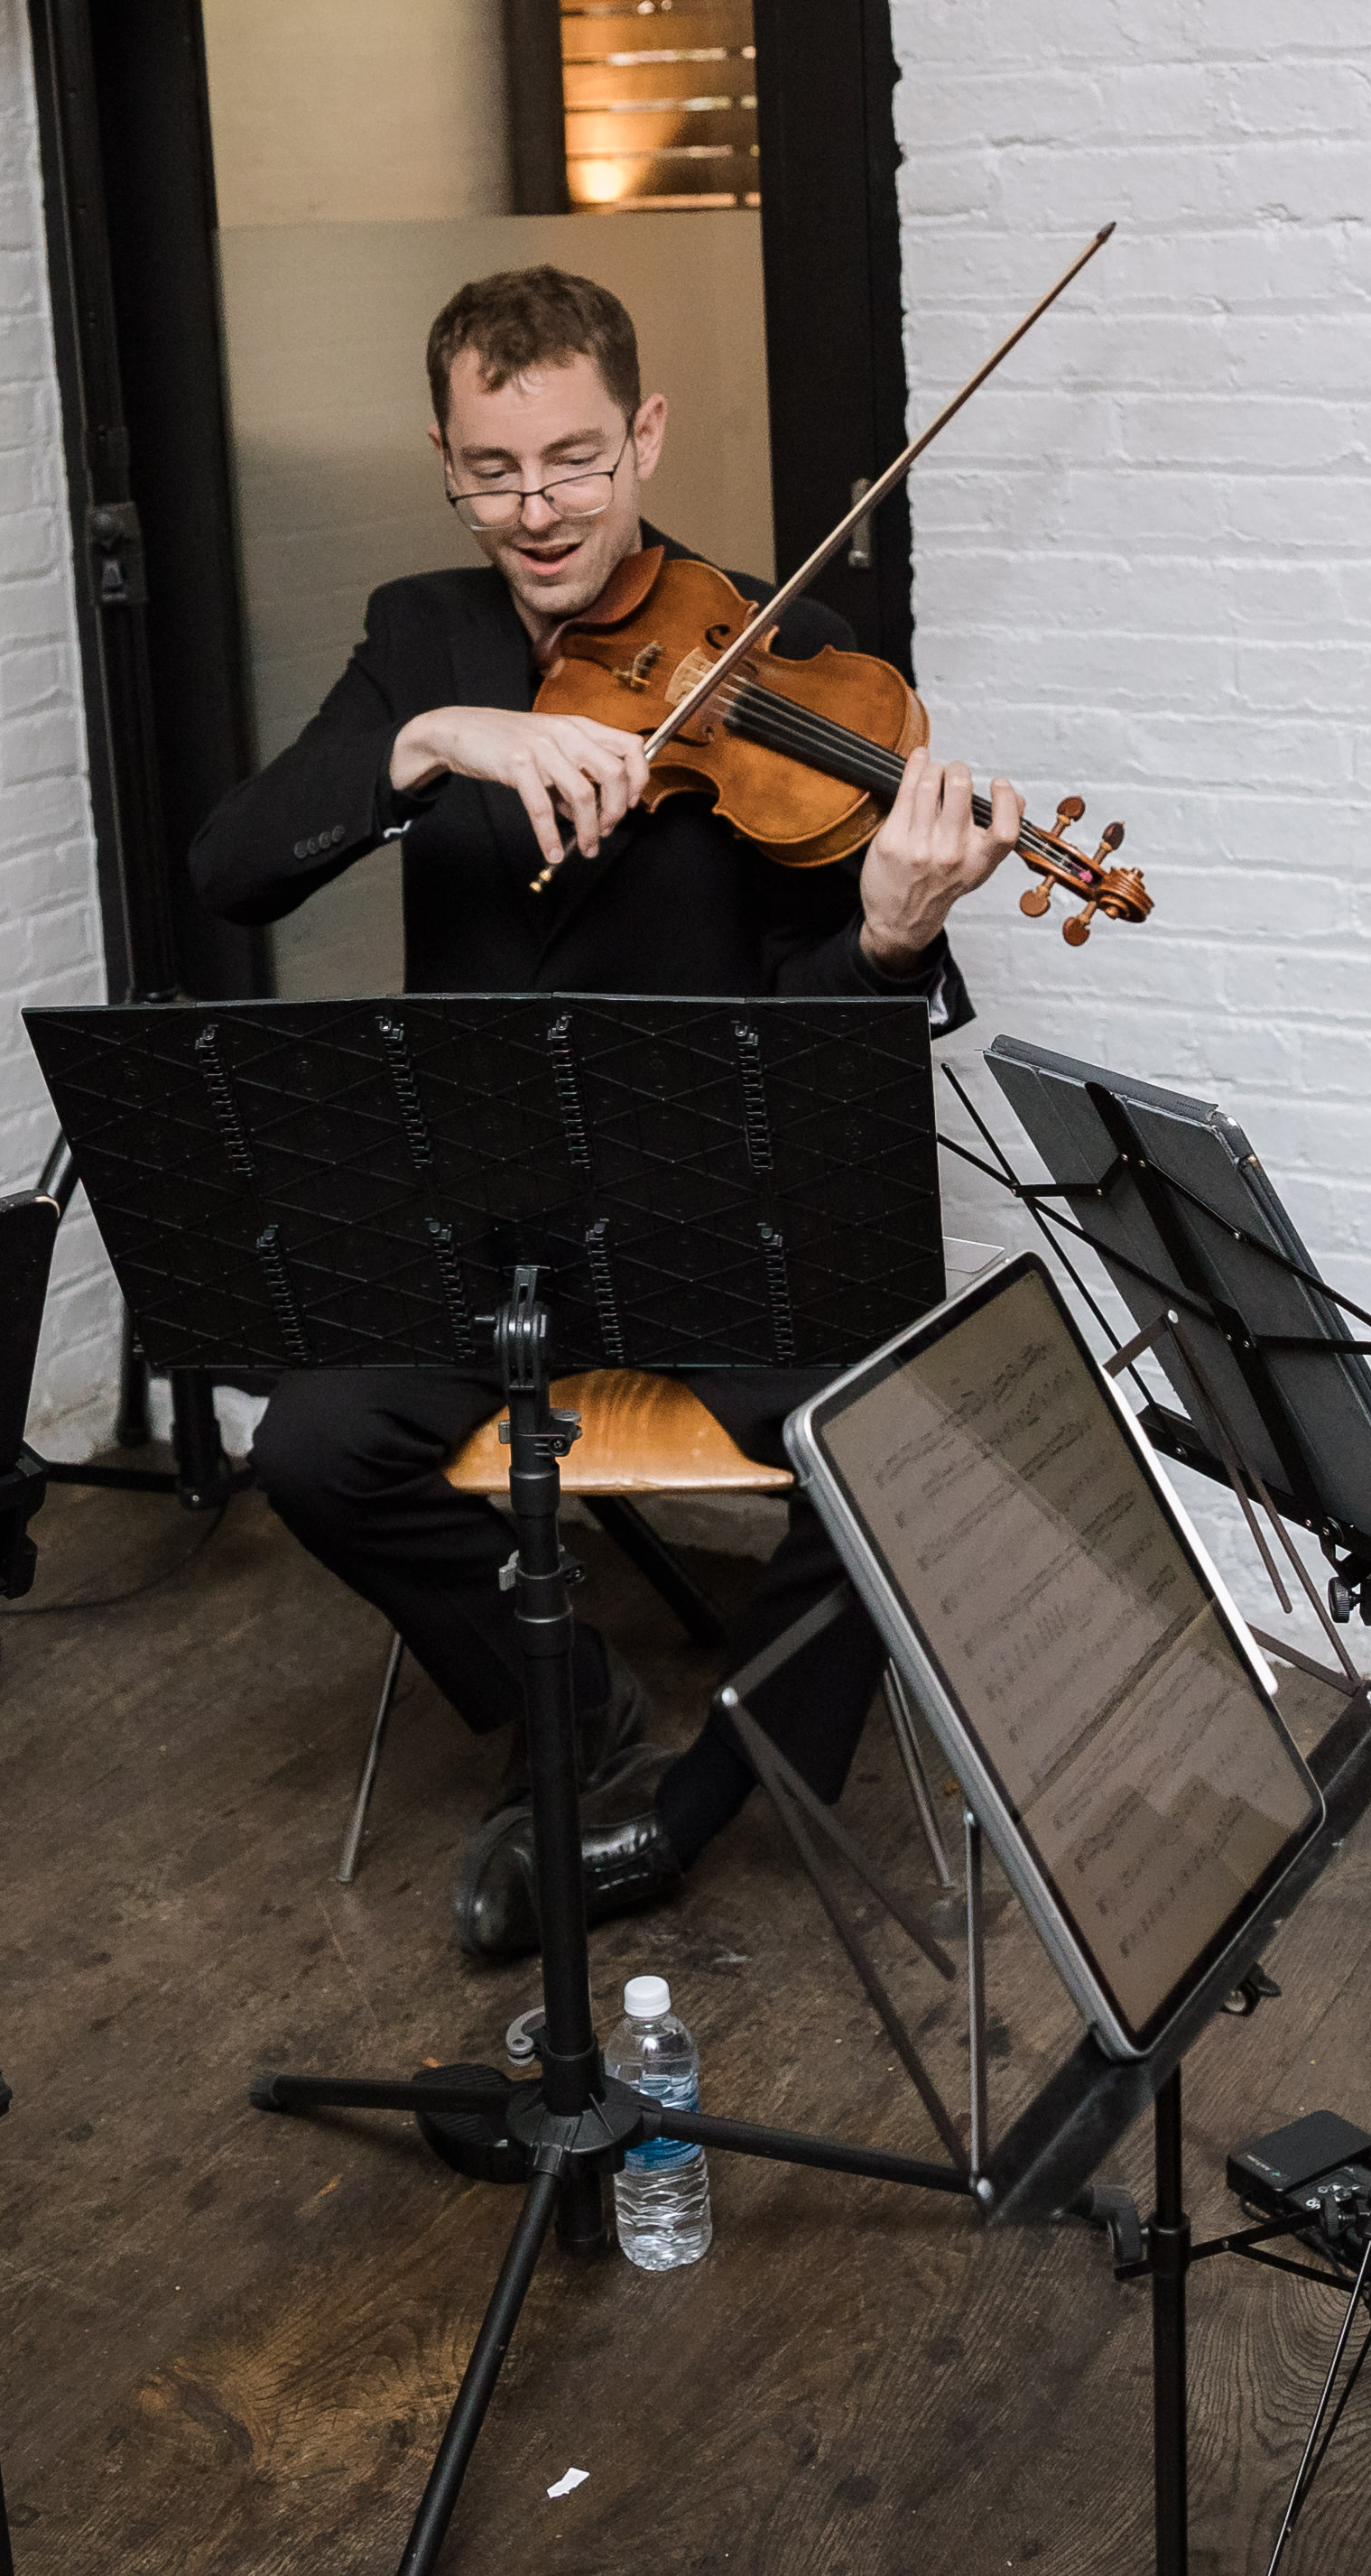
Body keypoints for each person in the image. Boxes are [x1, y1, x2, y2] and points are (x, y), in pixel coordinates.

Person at [189, 264, 1020, 1959]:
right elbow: (230, 870)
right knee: (312, 1445)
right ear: (442, 456)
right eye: (494, 470)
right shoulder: (418, 636)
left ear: (640, 432)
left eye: (573, 459)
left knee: (882, 1443)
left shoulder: (794, 659)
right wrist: (425, 740)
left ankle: (687, 1807)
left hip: (711, 1224)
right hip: (481, 1222)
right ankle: (565, 1703)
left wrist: (886, 931)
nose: (539, 509)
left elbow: (827, 1049)